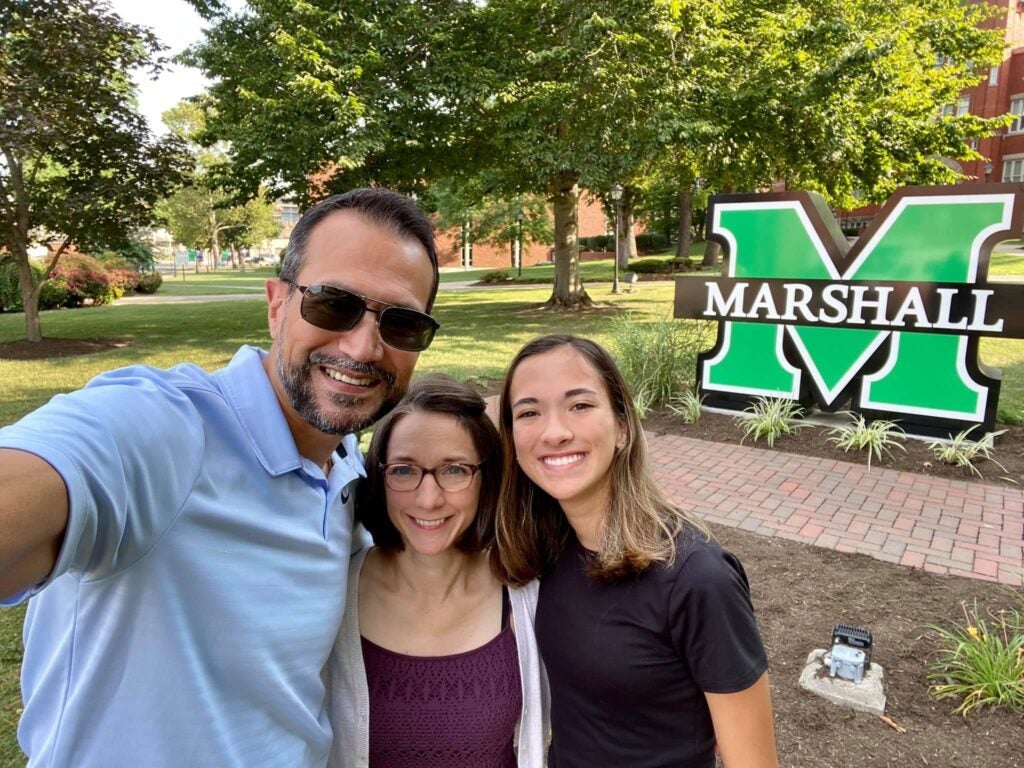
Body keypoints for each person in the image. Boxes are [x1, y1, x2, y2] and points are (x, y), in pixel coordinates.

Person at [0, 188, 441, 768]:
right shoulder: (164, 430)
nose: (363, 346)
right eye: (334, 305)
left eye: (402, 323)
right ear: (276, 304)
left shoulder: (351, 469)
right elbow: (54, 468)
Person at [496, 334, 778, 768]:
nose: (555, 432)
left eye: (580, 405)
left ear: (623, 427)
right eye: (529, 412)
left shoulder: (697, 578)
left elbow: (753, 763)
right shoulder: (547, 548)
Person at [326, 374, 548, 768]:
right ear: (380, 474)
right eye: (404, 470)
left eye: (455, 470)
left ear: (486, 477)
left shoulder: (526, 596)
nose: (428, 500)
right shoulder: (332, 597)